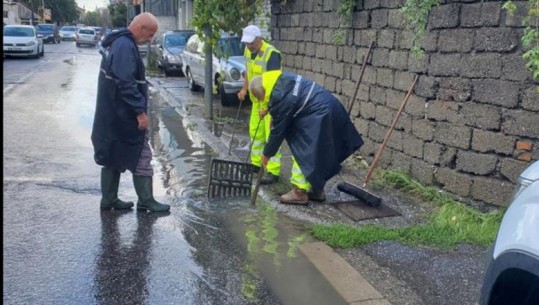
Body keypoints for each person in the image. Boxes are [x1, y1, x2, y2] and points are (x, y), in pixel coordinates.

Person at [91, 12, 170, 212]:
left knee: (113, 154)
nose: (150, 40)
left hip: (113, 113)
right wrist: (140, 113)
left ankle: (109, 199)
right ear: (141, 28)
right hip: (124, 115)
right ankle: (146, 200)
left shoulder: (118, 42)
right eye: (150, 34)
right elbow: (126, 83)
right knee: (142, 154)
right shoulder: (125, 46)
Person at [250, 71, 364, 205]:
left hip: (319, 113)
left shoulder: (279, 97)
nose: (260, 102)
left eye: (260, 99)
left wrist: (266, 154)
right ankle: (317, 189)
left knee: (303, 150)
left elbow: (277, 133)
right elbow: (282, 98)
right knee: (319, 150)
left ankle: (299, 192)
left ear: (263, 93)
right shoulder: (279, 79)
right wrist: (270, 109)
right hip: (330, 106)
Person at [237, 25, 282, 185]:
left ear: (259, 39)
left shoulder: (272, 54)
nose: (248, 46)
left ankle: (273, 171)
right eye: (246, 43)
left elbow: (274, 82)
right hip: (256, 101)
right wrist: (244, 89)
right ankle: (256, 164)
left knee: (271, 135)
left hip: (270, 102)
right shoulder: (248, 51)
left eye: (251, 43)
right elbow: (248, 72)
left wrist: (268, 108)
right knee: (255, 133)